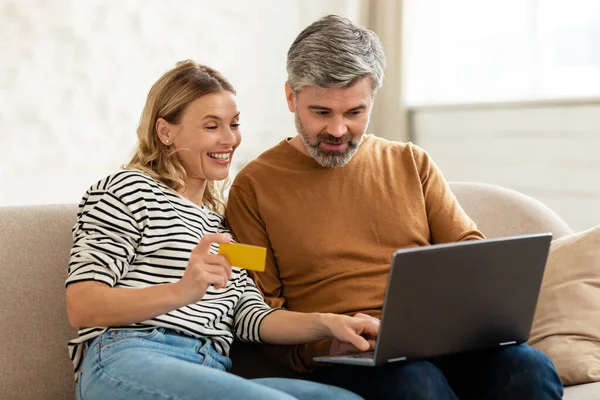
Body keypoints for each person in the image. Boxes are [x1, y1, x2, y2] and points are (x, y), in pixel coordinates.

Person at [225, 15, 564, 400]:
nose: (338, 130)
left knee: (530, 369)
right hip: (344, 359)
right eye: (321, 113)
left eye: (354, 113)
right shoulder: (253, 187)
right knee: (417, 384)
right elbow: (257, 311)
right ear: (291, 97)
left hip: (440, 341)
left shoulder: (410, 162)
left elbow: (470, 253)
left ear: (372, 99)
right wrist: (325, 346)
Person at [64, 60, 378, 400]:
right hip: (128, 357)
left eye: (234, 124)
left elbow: (252, 318)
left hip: (208, 366)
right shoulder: (125, 190)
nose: (230, 139)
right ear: (165, 131)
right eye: (212, 126)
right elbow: (82, 305)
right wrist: (182, 291)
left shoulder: (219, 223)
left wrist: (329, 323)